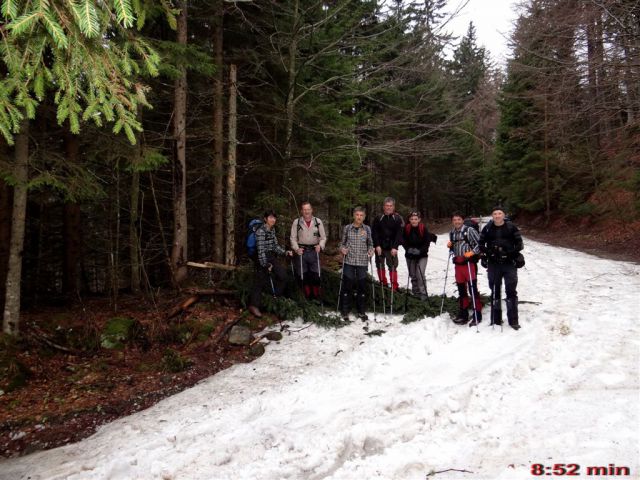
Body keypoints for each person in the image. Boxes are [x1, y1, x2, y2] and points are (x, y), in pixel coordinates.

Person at [479, 206, 524, 330]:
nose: (497, 216)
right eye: (495, 214)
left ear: (503, 215)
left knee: (511, 291)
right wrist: (488, 253)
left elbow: (520, 244)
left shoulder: (511, 227)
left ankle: (513, 320)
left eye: (499, 213)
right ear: (492, 216)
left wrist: (509, 253)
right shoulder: (487, 228)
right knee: (495, 291)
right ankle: (496, 319)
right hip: (493, 264)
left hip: (509, 263)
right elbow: (481, 244)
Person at [248, 210, 293, 318]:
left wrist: (285, 252)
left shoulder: (272, 230)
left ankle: (275, 297)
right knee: (260, 279)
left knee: (283, 275)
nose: (273, 219)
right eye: (270, 217)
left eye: (274, 218)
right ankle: (254, 305)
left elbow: (275, 246)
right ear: (265, 219)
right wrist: (265, 264)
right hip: (259, 257)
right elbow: (260, 250)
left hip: (269, 255)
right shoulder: (261, 231)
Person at [447, 212, 483, 326]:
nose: (456, 221)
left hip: (469, 264)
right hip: (458, 264)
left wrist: (472, 252)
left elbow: (480, 244)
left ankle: (478, 314)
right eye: (454, 220)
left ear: (462, 220)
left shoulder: (470, 230)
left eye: (459, 219)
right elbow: (455, 247)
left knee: (472, 289)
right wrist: (451, 246)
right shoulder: (452, 232)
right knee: (461, 289)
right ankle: (463, 313)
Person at [339, 206, 374, 321]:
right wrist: (342, 249)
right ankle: (345, 310)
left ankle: (361, 311)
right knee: (347, 285)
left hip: (362, 261)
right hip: (349, 261)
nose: (359, 217)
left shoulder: (367, 229)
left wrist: (371, 250)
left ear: (364, 217)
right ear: (354, 215)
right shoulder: (347, 228)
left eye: (361, 215)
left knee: (362, 286)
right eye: (357, 215)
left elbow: (370, 244)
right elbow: (342, 243)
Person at [290, 202, 327, 300]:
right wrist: (296, 248)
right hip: (301, 252)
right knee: (303, 276)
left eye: (308, 209)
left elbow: (323, 237)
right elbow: (293, 238)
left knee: (316, 275)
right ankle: (306, 298)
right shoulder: (296, 222)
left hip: (314, 251)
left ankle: (316, 297)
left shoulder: (318, 221)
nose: (306, 211)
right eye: (304, 209)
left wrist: (321, 245)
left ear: (312, 210)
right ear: (302, 211)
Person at [402, 211, 437, 301]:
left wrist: (420, 251)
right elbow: (403, 240)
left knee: (420, 274)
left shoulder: (423, 228)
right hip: (410, 255)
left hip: (422, 255)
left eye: (415, 219)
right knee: (413, 275)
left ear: (419, 220)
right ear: (409, 220)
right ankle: (416, 293)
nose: (414, 221)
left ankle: (423, 294)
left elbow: (426, 243)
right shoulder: (406, 228)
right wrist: (408, 249)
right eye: (412, 219)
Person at [372, 197, 404, 291]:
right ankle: (383, 284)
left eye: (390, 206)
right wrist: (377, 245)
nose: (388, 207)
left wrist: (395, 247)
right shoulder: (378, 218)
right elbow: (374, 232)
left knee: (393, 266)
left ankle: (394, 286)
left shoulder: (397, 218)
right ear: (383, 207)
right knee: (379, 265)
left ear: (393, 207)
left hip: (391, 247)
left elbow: (399, 234)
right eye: (387, 206)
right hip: (380, 247)